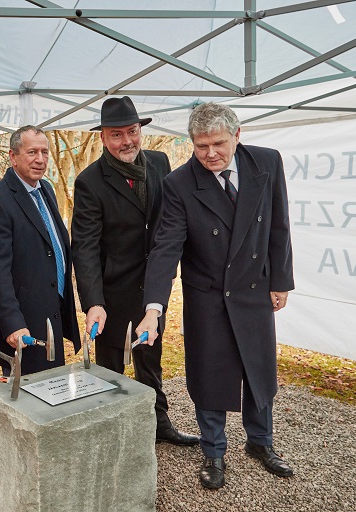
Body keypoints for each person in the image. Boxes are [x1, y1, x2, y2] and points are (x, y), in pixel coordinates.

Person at [137, 102, 295, 489]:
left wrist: (281, 280)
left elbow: (279, 224)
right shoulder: (178, 184)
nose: (210, 154)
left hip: (254, 288)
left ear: (237, 135)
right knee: (210, 375)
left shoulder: (267, 163)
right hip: (207, 295)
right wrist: (153, 309)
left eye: (218, 144)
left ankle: (261, 442)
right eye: (201, 145)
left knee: (258, 369)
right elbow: (165, 247)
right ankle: (214, 451)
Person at [71, 96, 200, 447]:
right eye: (117, 134)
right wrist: (93, 302)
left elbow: (172, 220)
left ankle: (159, 423)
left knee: (150, 358)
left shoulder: (160, 162)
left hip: (154, 289)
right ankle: (112, 434)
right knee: (111, 368)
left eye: (132, 131)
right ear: (103, 138)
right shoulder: (90, 181)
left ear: (140, 130)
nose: (127, 140)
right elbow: (84, 247)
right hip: (113, 293)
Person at [0, 125, 80, 375]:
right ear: (13, 156)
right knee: (28, 401)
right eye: (32, 152)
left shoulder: (45, 190)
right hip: (24, 325)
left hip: (53, 313)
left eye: (45, 152)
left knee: (53, 390)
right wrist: (13, 324)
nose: (40, 159)